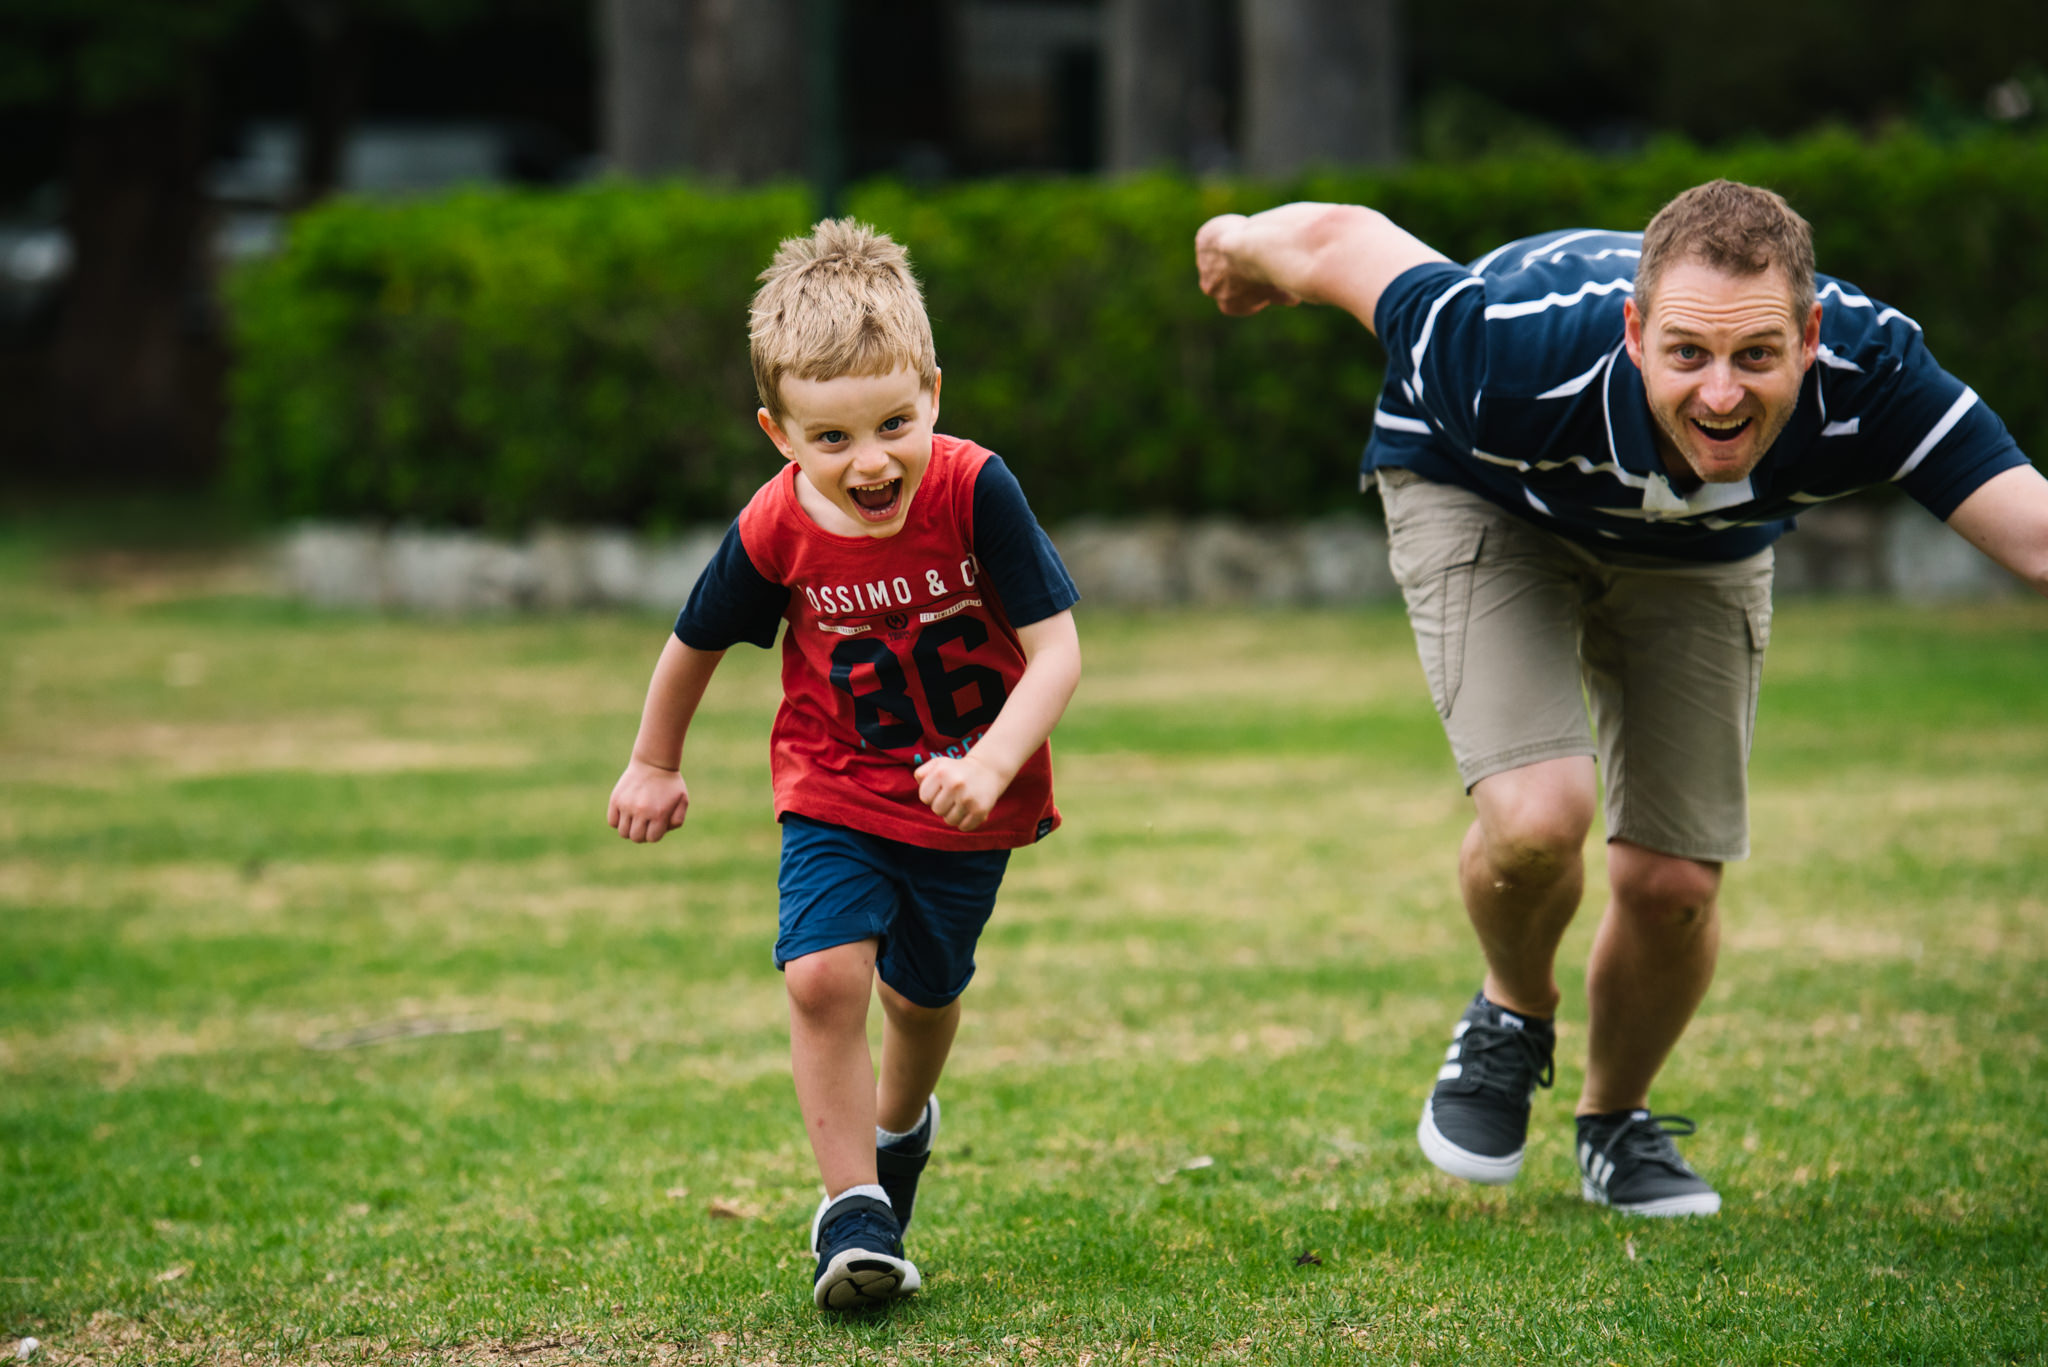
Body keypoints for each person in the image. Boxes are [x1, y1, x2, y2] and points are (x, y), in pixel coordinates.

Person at [1194, 180, 2048, 1217]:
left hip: (1699, 551)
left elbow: (2033, 533)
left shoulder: (1873, 370)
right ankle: (1512, 1009)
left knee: (1673, 880)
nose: (1722, 395)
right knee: (1536, 818)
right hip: (1480, 495)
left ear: (1809, 336)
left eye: (1755, 357)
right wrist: (1237, 242)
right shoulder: (1504, 349)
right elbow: (1339, 239)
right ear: (1635, 332)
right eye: (1686, 353)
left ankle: (1614, 1121)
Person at [608, 219, 1082, 1306]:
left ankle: (900, 1126)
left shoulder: (977, 491)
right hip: (833, 784)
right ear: (779, 433)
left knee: (922, 999)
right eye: (831, 438)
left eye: (893, 423)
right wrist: (652, 761)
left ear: (932, 391)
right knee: (823, 975)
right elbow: (694, 643)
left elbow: (1056, 651)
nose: (869, 460)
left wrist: (992, 761)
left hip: (968, 806)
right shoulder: (776, 525)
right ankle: (852, 1213)